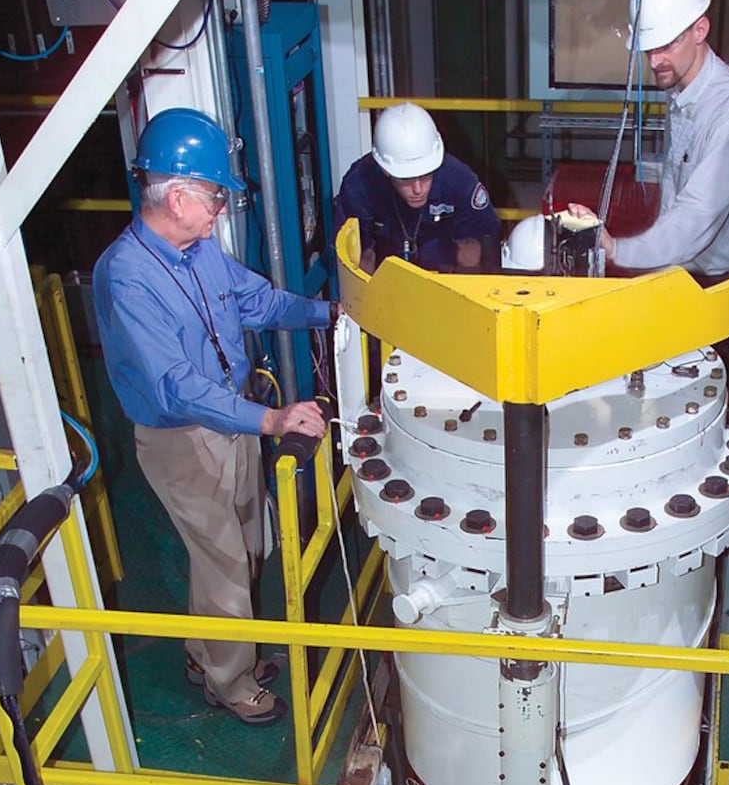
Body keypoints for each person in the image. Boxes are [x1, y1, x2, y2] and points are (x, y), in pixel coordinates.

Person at [94, 109, 334, 728]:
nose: (221, 209)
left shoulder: (198, 253)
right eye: (215, 197)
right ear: (178, 197)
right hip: (183, 439)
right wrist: (272, 420)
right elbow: (176, 387)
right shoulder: (128, 277)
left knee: (246, 543)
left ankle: (207, 654)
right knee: (224, 560)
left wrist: (329, 313)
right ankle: (232, 682)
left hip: (233, 422)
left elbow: (255, 300)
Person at [565, 0, 729, 281]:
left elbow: (696, 215)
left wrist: (616, 249)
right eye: (649, 50)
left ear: (700, 30)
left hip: (717, 281)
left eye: (666, 46)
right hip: (681, 267)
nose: (655, 62)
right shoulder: (685, 89)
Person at [334, 102, 502, 275]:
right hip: (386, 280)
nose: (417, 189)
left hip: (445, 279)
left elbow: (476, 245)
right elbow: (358, 257)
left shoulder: (460, 181)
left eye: (425, 175)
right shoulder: (359, 186)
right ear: (385, 170)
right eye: (405, 179)